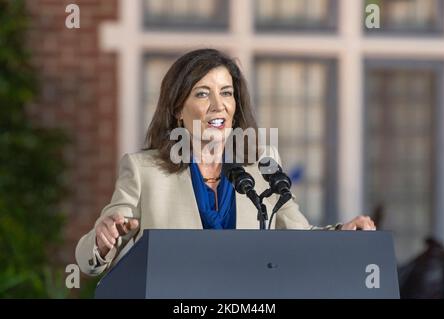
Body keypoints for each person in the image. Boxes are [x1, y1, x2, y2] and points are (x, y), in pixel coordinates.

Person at [75, 48, 375, 276]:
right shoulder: (143, 170)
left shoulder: (263, 167)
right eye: (203, 94)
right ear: (178, 107)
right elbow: (88, 261)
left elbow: (300, 237)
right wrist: (104, 239)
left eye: (227, 93)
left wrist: (342, 235)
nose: (218, 106)